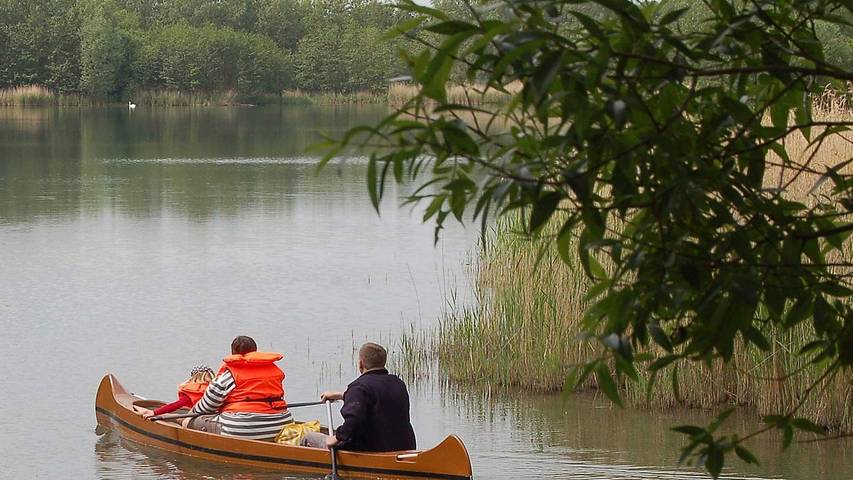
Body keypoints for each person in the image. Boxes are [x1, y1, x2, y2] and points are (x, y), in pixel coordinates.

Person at [302, 342, 416, 452]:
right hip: (403, 447)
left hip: (370, 449)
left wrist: (337, 438)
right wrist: (341, 395)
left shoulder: (359, 387)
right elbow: (375, 398)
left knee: (309, 437)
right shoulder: (397, 383)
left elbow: (354, 420)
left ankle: (302, 470)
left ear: (361, 364)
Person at [187, 335, 293, 441]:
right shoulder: (274, 372)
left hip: (241, 430)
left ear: (233, 352)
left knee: (188, 421)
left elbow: (206, 407)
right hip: (281, 426)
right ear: (255, 351)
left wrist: (191, 413)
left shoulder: (229, 376)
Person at [133, 365, 215, 419]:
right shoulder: (216, 389)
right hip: (215, 417)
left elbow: (176, 405)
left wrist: (154, 412)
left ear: (193, 378)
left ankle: (146, 412)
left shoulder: (193, 391)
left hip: (198, 418)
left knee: (170, 416)